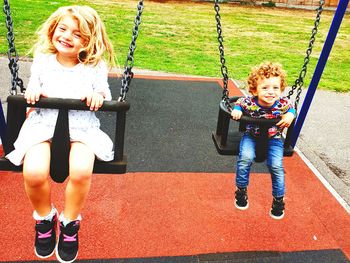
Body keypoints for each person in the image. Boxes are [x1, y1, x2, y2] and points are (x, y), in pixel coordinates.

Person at [6, 5, 115, 262]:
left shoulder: (94, 66)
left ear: (89, 40)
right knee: (33, 172)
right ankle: (45, 218)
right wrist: (33, 94)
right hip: (43, 125)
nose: (67, 36)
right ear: (54, 30)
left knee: (80, 171)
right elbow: (34, 88)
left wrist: (96, 97)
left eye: (77, 34)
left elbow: (103, 94)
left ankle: (69, 224)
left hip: (82, 129)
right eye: (62, 29)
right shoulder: (44, 60)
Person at [230, 62, 295, 220]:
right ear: (254, 90)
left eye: (275, 88)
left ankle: (278, 200)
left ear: (281, 89)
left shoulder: (282, 104)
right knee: (245, 158)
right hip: (251, 136)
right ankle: (241, 190)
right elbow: (239, 103)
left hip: (274, 139)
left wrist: (290, 115)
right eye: (265, 88)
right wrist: (238, 110)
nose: (271, 92)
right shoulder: (250, 103)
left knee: (276, 166)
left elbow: (291, 108)